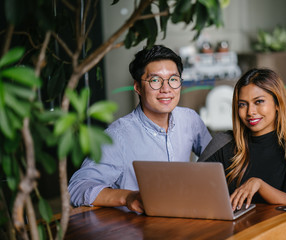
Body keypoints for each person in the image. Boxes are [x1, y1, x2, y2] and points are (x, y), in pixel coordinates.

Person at [68, 45, 212, 213]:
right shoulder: (117, 136)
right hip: (136, 227)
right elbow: (76, 188)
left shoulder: (190, 119)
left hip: (184, 219)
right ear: (137, 87)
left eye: (173, 79)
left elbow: (218, 161)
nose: (166, 89)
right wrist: (128, 197)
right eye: (155, 80)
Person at [198, 68, 286, 239]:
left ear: (277, 103)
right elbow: (195, 189)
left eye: (259, 102)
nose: (250, 112)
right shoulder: (223, 144)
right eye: (242, 104)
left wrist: (259, 185)